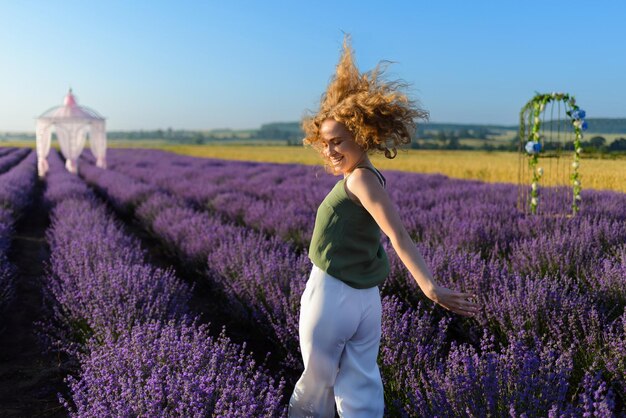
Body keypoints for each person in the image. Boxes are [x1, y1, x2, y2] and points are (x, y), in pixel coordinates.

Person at [288, 37, 480, 418]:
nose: (329, 152)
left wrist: (430, 287)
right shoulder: (370, 176)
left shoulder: (359, 180)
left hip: (332, 294)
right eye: (325, 144)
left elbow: (398, 235)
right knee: (361, 386)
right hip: (365, 298)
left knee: (315, 388)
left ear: (362, 134)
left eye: (337, 141)